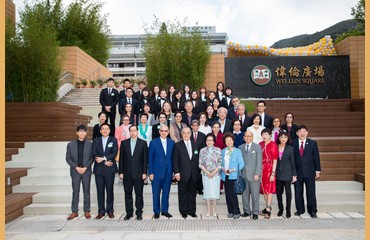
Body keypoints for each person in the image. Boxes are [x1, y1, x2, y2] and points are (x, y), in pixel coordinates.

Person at [119, 125, 148, 221]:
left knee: (139, 194)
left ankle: (139, 213)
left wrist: (144, 172)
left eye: (134, 130)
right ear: (129, 132)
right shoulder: (124, 143)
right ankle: (129, 213)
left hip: (139, 174)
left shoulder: (143, 143)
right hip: (126, 174)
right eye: (131, 131)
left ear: (137, 132)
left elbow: (145, 159)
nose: (132, 132)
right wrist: (121, 172)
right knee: (128, 194)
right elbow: (121, 159)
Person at [66, 124, 93, 220]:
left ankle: (87, 211)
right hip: (75, 171)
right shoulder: (70, 144)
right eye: (80, 131)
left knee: (86, 192)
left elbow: (91, 158)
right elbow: (68, 158)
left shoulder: (90, 144)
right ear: (77, 133)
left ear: (86, 133)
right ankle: (74, 211)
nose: (82, 133)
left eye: (83, 131)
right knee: (75, 191)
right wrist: (76, 167)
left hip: (86, 170)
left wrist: (86, 167)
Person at [293, 125, 321, 218]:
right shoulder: (293, 143)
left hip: (309, 172)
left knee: (311, 192)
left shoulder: (312, 143)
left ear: (307, 133)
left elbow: (316, 157)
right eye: (300, 131)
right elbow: (292, 159)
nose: (302, 133)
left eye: (304, 131)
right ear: (297, 133)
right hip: (297, 172)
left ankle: (312, 211)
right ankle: (300, 210)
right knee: (298, 192)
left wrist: (317, 170)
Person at [148, 125, 175, 219]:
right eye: (162, 131)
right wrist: (150, 172)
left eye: (166, 131)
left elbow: (173, 158)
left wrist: (173, 171)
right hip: (156, 173)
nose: (164, 132)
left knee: (166, 193)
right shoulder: (153, 142)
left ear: (168, 132)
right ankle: (156, 211)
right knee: (156, 193)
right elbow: (150, 159)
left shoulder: (172, 143)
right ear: (159, 132)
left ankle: (165, 210)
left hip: (168, 173)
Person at [92, 123, 118, 219]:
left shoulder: (113, 140)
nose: (105, 130)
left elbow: (114, 152)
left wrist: (103, 158)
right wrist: (104, 161)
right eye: (103, 129)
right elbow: (94, 153)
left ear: (110, 130)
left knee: (110, 190)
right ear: (100, 131)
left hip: (109, 169)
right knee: (100, 191)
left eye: (107, 129)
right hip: (99, 170)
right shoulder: (96, 141)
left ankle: (110, 210)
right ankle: (101, 211)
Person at [173, 127, 200, 218]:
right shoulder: (177, 145)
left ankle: (191, 211)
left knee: (192, 193)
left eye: (188, 132)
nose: (186, 134)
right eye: (184, 133)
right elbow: (175, 160)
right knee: (182, 193)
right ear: (181, 134)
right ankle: (183, 211)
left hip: (194, 174)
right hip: (182, 173)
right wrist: (176, 173)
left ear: (191, 134)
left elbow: (197, 159)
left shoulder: (195, 144)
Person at [238, 131, 262, 220]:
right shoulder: (240, 147)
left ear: (252, 137)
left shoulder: (257, 147)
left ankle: (255, 212)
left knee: (255, 195)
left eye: (249, 136)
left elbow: (259, 162)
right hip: (243, 175)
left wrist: (257, 173)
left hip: (254, 175)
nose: (248, 138)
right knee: (245, 194)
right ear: (243, 137)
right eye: (246, 136)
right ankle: (246, 211)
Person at [220, 133, 245, 219]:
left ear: (233, 141)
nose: (229, 142)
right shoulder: (223, 151)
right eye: (227, 141)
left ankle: (237, 211)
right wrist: (222, 168)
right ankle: (230, 211)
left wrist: (233, 169)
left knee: (233, 194)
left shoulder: (237, 151)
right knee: (227, 194)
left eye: (230, 140)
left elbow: (241, 164)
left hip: (233, 176)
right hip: (225, 176)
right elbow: (220, 163)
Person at [199, 133, 222, 217]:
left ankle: (214, 210)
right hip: (205, 174)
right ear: (206, 141)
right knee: (207, 191)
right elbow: (200, 164)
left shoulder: (218, 150)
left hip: (216, 174)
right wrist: (208, 172)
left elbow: (220, 164)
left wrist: (213, 172)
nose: (209, 142)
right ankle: (208, 210)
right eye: (208, 140)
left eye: (211, 140)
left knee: (215, 192)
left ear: (214, 141)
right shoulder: (202, 150)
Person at [276, 132, 297, 218]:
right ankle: (280, 209)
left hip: (287, 173)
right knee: (279, 193)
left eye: (285, 137)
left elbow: (293, 162)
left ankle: (288, 210)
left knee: (288, 192)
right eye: (282, 137)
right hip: (278, 174)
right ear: (279, 138)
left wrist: (294, 174)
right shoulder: (275, 147)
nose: (283, 139)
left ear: (287, 139)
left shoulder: (290, 149)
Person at [259, 128, 278, 219]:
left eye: (266, 134)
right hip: (261, 169)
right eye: (263, 134)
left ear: (270, 135)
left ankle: (268, 208)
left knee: (269, 189)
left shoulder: (273, 145)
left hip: (269, 168)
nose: (264, 136)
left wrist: (273, 173)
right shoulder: (260, 144)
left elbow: (275, 160)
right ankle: (267, 207)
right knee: (263, 190)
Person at [190, 119, 206, 195]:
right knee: (193, 174)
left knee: (199, 174)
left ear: (199, 126)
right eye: (194, 125)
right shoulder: (188, 135)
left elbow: (204, 147)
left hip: (200, 157)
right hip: (191, 158)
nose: (195, 127)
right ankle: (193, 189)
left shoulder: (203, 135)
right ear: (191, 126)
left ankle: (200, 189)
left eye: (197, 125)